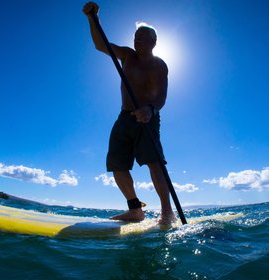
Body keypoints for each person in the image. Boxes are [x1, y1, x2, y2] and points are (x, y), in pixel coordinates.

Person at [83, 2, 176, 225]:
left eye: (142, 36)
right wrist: (92, 18)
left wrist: (150, 109)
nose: (137, 39)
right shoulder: (127, 55)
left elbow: (161, 97)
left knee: (154, 163)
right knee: (117, 164)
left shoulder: (159, 66)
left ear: (154, 42)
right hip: (124, 117)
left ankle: (167, 212)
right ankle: (135, 210)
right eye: (136, 35)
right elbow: (101, 45)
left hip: (148, 119)